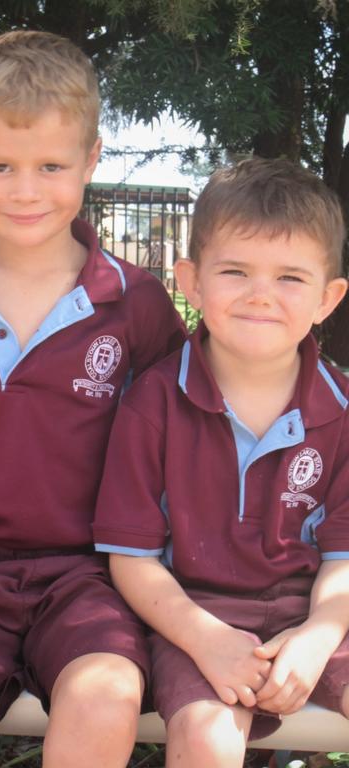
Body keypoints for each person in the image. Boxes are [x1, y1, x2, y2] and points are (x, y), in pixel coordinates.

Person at [0, 29, 188, 768]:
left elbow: (186, 442)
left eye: (51, 165)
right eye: (1, 166)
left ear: (90, 160)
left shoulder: (135, 302)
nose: (25, 190)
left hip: (92, 572)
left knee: (106, 692)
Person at [94, 157, 349, 766]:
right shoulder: (152, 402)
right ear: (192, 281)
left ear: (328, 298)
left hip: (314, 612)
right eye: (235, 270)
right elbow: (130, 558)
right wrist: (204, 639)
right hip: (194, 617)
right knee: (207, 736)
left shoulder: (341, 410)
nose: (261, 294)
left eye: (290, 277)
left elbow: (343, 558)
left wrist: (318, 637)